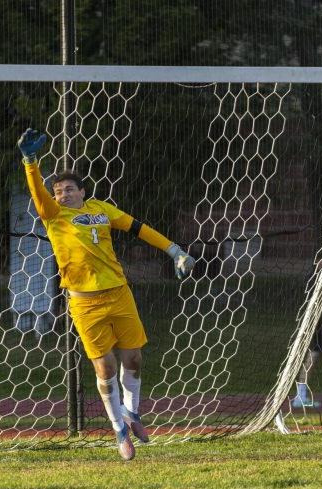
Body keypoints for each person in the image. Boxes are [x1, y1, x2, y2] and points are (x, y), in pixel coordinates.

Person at [17, 128, 195, 460]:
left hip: (119, 293)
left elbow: (139, 227)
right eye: (57, 191)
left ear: (83, 191)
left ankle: (134, 413)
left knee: (135, 359)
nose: (62, 194)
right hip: (85, 302)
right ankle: (119, 429)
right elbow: (37, 193)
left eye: (69, 189)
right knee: (106, 368)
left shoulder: (102, 209)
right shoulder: (54, 216)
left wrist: (175, 251)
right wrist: (31, 162)